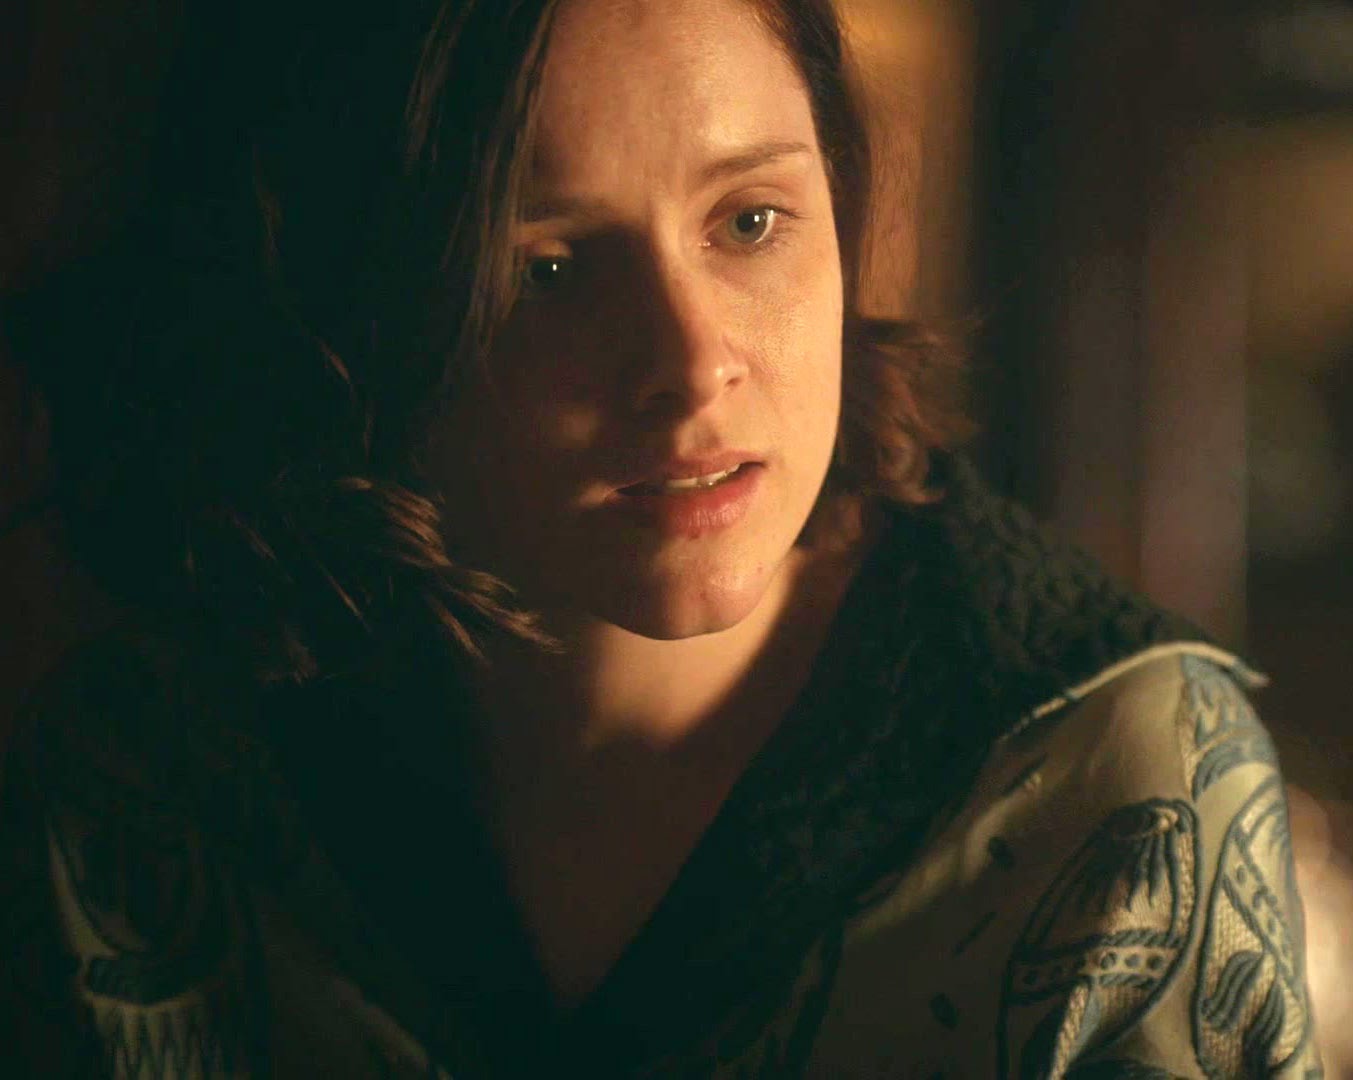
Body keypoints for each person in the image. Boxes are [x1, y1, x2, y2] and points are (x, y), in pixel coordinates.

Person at [0, 0, 1321, 1076]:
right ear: (357, 307)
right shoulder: (155, 768)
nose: (692, 368)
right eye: (549, 269)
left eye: (749, 221)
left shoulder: (1113, 797)